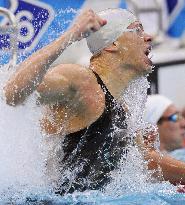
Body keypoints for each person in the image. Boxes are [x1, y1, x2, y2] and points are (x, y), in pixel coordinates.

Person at [4, 8, 185, 195]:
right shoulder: (81, 81)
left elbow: (145, 161)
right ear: (112, 44)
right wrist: (71, 35)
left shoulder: (121, 107)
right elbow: (12, 92)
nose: (148, 37)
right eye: (138, 30)